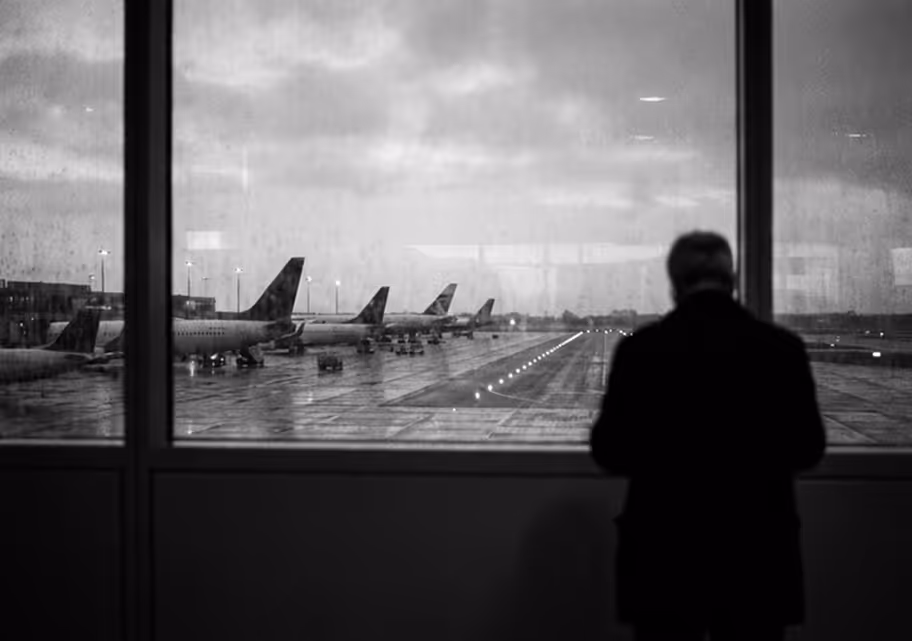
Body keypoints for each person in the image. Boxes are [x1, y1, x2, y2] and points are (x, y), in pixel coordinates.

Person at [590, 231, 826, 641]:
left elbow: (610, 451)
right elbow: (808, 449)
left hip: (664, 552)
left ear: (674, 283)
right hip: (758, 552)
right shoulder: (781, 349)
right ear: (731, 280)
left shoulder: (643, 351)